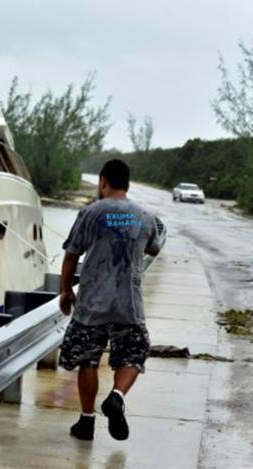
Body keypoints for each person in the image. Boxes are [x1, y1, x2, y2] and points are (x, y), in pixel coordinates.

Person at [58, 159, 162, 441]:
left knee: (88, 360)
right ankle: (116, 396)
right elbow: (154, 248)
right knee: (134, 352)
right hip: (129, 303)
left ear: (103, 181)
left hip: (92, 303)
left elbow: (71, 256)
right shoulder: (144, 215)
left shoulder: (91, 213)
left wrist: (66, 291)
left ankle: (87, 422)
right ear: (127, 184)